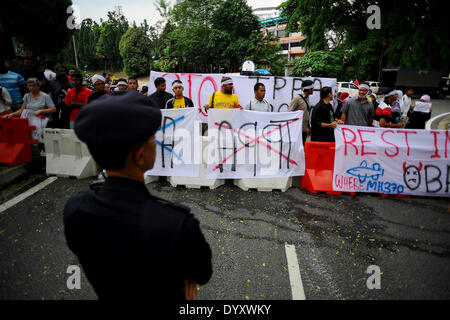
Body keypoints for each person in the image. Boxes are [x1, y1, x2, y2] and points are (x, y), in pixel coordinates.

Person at [64, 91, 213, 300]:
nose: (156, 142)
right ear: (140, 155)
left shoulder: (75, 209)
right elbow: (202, 272)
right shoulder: (176, 222)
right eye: (152, 138)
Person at [288, 79, 314, 145]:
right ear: (308, 89)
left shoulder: (307, 98)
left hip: (304, 130)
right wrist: (298, 113)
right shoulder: (297, 98)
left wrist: (308, 127)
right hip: (297, 130)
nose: (313, 89)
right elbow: (289, 112)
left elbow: (306, 113)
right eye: (312, 88)